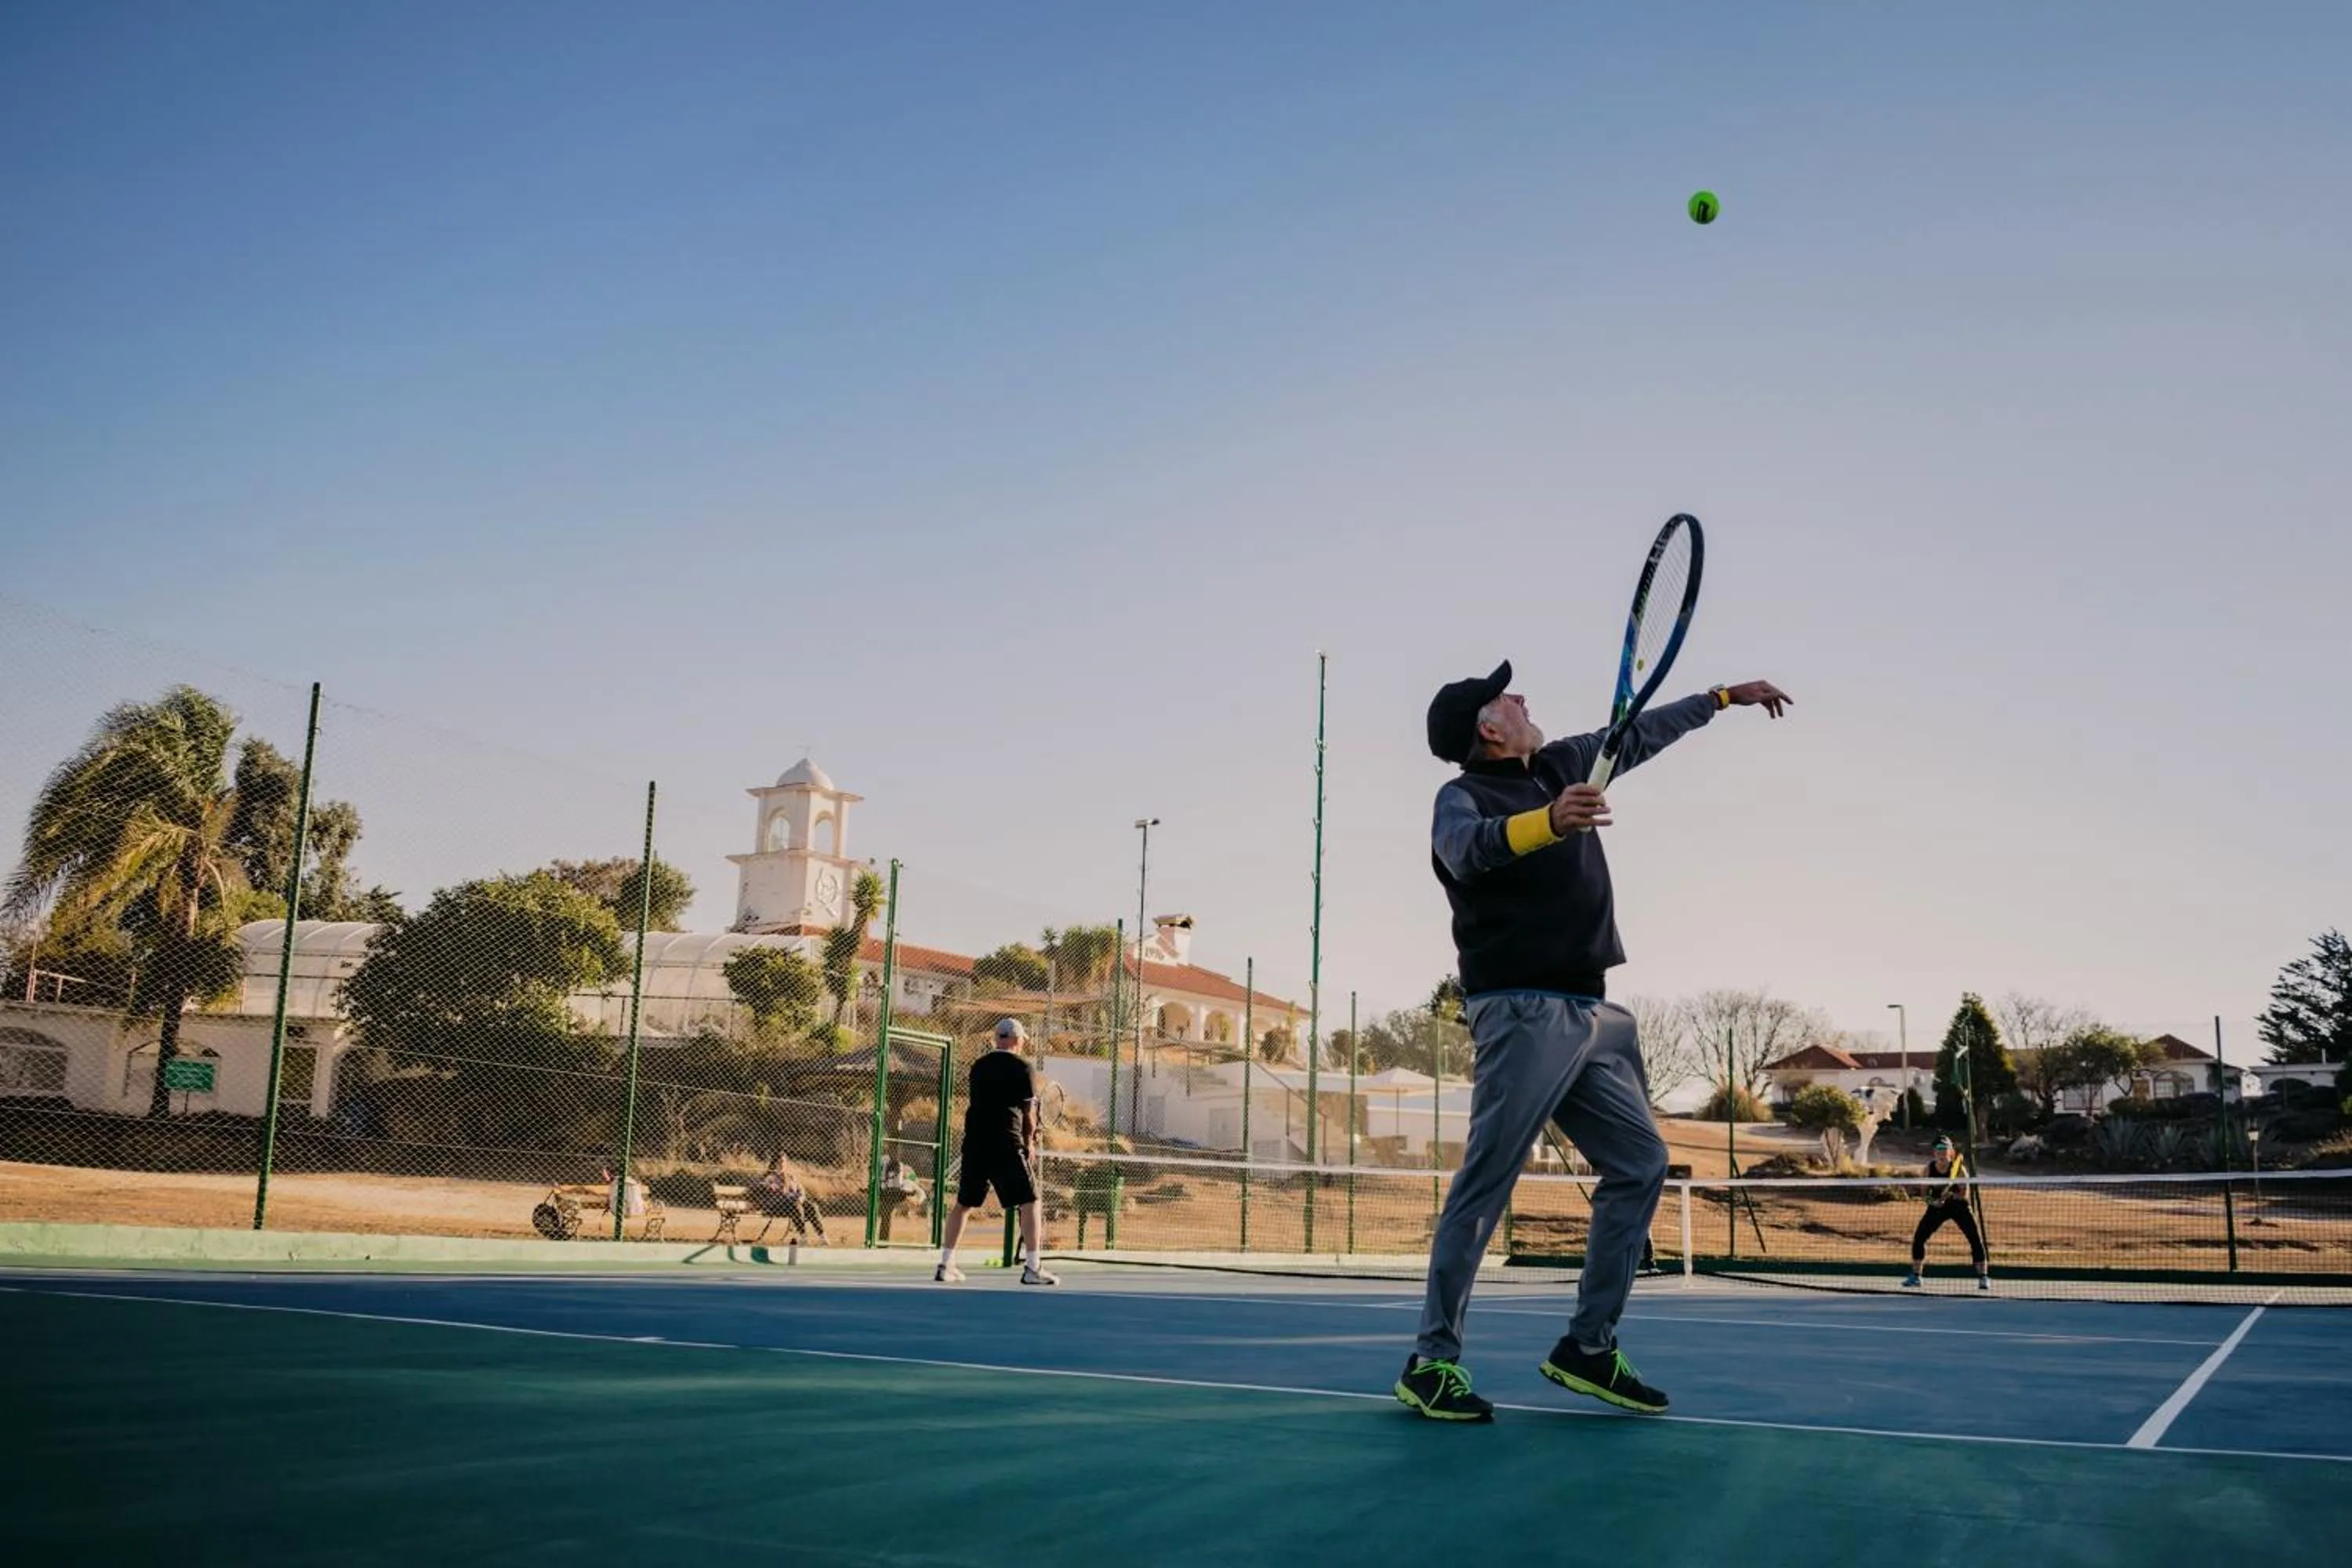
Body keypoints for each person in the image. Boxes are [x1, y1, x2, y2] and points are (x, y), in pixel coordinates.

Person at [1395, 660, 1791, 1423]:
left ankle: (1588, 1344)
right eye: (1507, 696)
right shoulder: (1463, 796)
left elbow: (1637, 733)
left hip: (1588, 1010)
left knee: (1641, 1162)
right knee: (1487, 1182)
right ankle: (1430, 1362)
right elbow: (1467, 850)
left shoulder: (1563, 762)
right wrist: (1552, 821)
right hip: (1518, 1008)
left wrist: (1718, 699)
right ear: (1489, 726)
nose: (1522, 697)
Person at [938, 1017, 1058, 1286]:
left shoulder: (978, 1067)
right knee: (1031, 1201)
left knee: (963, 1204)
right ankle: (1033, 1267)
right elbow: (1028, 1114)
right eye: (1023, 1040)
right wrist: (1030, 1143)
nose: (1024, 1044)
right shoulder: (1023, 1068)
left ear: (997, 1039)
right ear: (1017, 1040)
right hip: (1006, 1142)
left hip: (975, 1143)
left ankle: (946, 1264)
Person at [1905, 1134, 1990, 1291]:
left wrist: (1950, 1196)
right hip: (1937, 1207)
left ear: (1950, 1152)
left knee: (1975, 1238)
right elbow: (1924, 1194)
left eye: (1944, 1150)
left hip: (1959, 1207)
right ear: (1934, 1153)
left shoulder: (1959, 1170)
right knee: (1919, 1237)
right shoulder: (1928, 1170)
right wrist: (1933, 1202)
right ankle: (1916, 1276)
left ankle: (1983, 1277)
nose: (1941, 1153)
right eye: (1938, 1150)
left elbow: (1964, 1194)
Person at [753, 1154, 828, 1245]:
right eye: (780, 1162)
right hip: (779, 1205)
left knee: (812, 1207)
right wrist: (771, 1187)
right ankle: (804, 1238)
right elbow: (764, 1187)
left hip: (795, 1202)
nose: (782, 1164)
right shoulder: (771, 1177)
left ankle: (823, 1237)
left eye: (784, 1162)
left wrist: (801, 1198)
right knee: (795, 1206)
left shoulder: (791, 1176)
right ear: (775, 1164)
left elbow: (801, 1190)